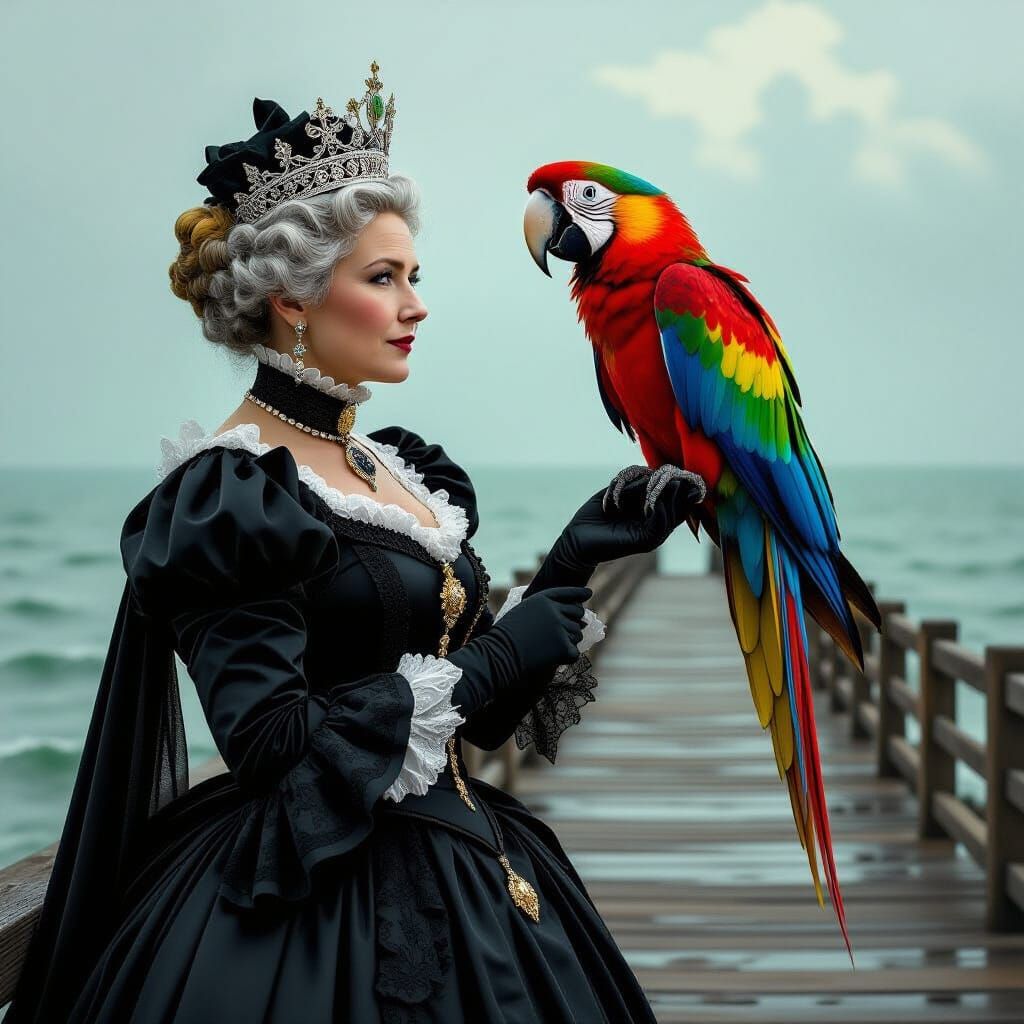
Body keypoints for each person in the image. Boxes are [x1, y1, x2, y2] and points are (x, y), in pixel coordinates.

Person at [4, 62, 706, 1023]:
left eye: (415, 276)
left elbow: (476, 718)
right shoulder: (229, 492)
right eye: (384, 279)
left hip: (477, 867)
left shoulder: (401, 470)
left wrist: (576, 560)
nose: (416, 305)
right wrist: (497, 654)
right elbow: (275, 749)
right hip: (320, 918)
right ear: (293, 301)